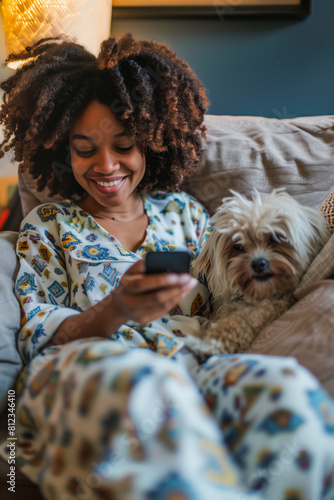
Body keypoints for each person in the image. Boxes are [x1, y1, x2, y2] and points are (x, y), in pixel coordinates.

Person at [0, 34, 333, 500]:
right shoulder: (49, 225)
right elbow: (34, 332)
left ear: (152, 143)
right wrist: (114, 310)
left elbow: (236, 297)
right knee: (146, 389)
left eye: (124, 144)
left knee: (283, 389)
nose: (106, 165)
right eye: (85, 148)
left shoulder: (188, 215)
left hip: (193, 363)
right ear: (62, 150)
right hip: (91, 366)